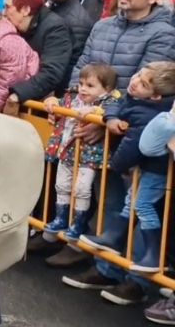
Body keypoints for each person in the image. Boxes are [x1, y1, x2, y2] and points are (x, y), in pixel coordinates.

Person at [80, 61, 175, 275]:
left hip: (156, 170)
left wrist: (118, 165)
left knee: (143, 205)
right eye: (138, 75)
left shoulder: (147, 113)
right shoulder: (137, 99)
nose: (134, 82)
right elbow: (119, 102)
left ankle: (153, 255)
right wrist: (111, 117)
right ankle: (114, 237)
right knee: (131, 201)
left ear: (155, 96)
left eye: (142, 84)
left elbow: (133, 146)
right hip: (145, 168)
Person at [41, 63, 119, 241]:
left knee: (82, 190)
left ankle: (78, 223)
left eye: (90, 86)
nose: (83, 89)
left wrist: (94, 111)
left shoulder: (108, 103)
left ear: (106, 89)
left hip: (89, 156)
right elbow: (58, 102)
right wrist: (50, 101)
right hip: (66, 150)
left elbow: (113, 110)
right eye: (82, 84)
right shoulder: (73, 98)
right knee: (62, 185)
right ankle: (61, 218)